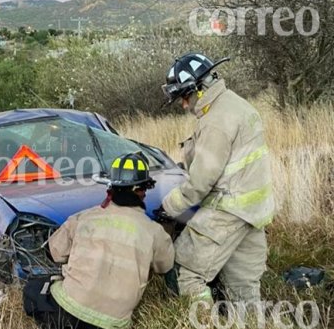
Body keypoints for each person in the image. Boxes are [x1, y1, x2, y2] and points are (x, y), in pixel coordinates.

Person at [155, 53, 275, 303]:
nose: (184, 105)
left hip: (227, 210)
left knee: (185, 273)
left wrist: (169, 206)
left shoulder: (215, 121)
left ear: (199, 89)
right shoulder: (237, 104)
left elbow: (200, 182)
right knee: (243, 288)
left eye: (185, 97)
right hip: (252, 211)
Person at [24, 153, 175, 329]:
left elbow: (53, 253)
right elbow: (166, 266)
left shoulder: (83, 218)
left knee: (33, 288)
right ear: (143, 191)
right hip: (112, 324)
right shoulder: (154, 232)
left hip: (66, 315)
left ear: (110, 187)